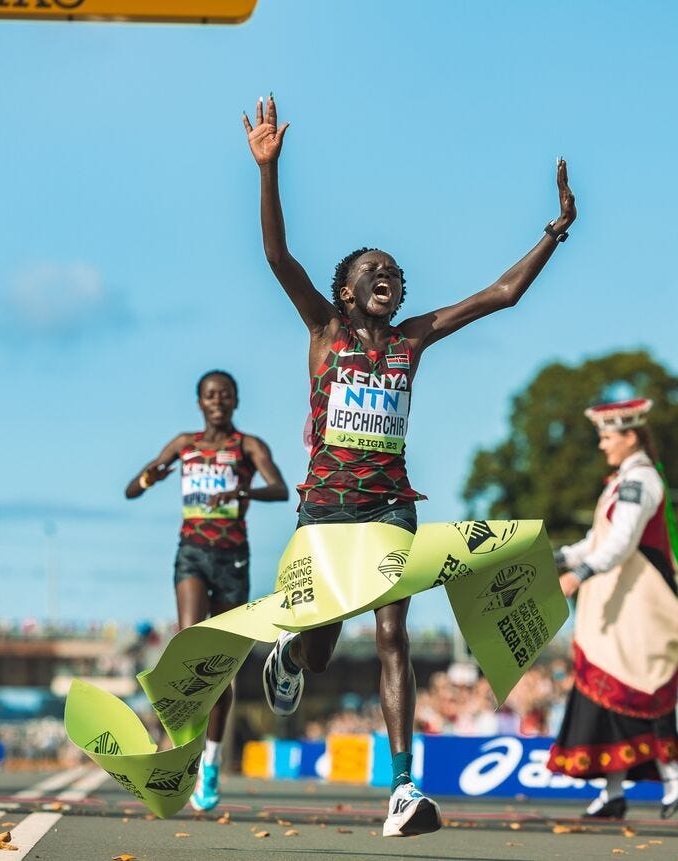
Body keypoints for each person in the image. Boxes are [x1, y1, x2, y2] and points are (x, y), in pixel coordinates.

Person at [242, 94, 576, 837]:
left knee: (392, 637)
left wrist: (554, 232)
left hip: (393, 506)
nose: (388, 274)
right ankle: (293, 650)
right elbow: (275, 256)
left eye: (394, 269)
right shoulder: (324, 329)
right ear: (345, 291)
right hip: (325, 508)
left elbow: (502, 294)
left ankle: (402, 789)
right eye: (373, 270)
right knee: (325, 642)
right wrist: (269, 172)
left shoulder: (412, 339)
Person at [125, 369, 288, 812]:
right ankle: (182, 750)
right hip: (192, 554)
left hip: (232, 560)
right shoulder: (184, 445)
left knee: (219, 668)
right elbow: (131, 490)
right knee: (190, 645)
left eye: (226, 395)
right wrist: (151, 476)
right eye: (210, 395)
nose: (218, 401)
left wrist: (243, 488)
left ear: (235, 401)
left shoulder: (247, 446)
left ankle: (211, 761)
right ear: (199, 402)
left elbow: (280, 488)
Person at [547, 398, 678, 820]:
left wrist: (579, 574)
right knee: (607, 688)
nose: (602, 446)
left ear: (631, 436)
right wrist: (557, 557)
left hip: (643, 598)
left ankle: (671, 772)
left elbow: (621, 543)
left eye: (608, 437)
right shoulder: (621, 481)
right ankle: (613, 791)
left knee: (643, 684)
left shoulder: (640, 481)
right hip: (619, 596)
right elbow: (598, 541)